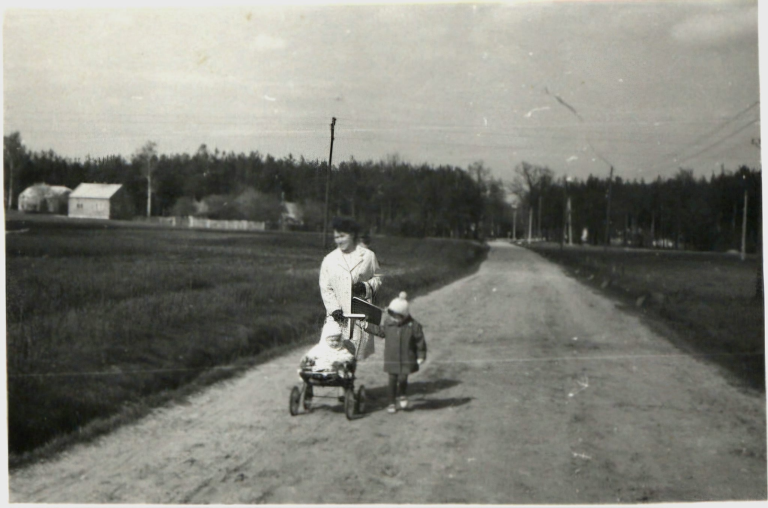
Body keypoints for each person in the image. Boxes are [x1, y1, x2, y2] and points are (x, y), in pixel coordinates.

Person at [319, 216, 382, 360]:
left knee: (353, 355)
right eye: (336, 237)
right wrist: (334, 309)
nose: (339, 240)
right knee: (331, 351)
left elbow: (378, 278)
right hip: (337, 316)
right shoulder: (329, 259)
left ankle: (348, 380)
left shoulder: (368, 256)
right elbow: (326, 288)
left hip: (360, 314)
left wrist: (365, 287)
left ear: (352, 235)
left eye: (342, 236)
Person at [364, 291, 427, 414]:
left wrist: (421, 355)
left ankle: (402, 394)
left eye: (396, 316)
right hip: (392, 357)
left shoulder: (413, 326)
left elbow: (420, 341)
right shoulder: (388, 323)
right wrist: (368, 326)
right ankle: (391, 402)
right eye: (392, 315)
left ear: (404, 315)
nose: (393, 318)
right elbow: (381, 332)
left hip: (407, 357)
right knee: (392, 380)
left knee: (403, 378)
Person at [299, 319, 356, 404]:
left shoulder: (342, 349)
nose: (334, 343)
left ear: (340, 340)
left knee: (343, 372)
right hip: (320, 370)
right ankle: (307, 392)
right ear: (326, 339)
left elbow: (348, 357)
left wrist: (340, 361)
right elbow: (312, 353)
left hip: (335, 372)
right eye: (331, 340)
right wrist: (308, 358)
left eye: (337, 340)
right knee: (308, 369)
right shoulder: (321, 348)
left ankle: (344, 393)